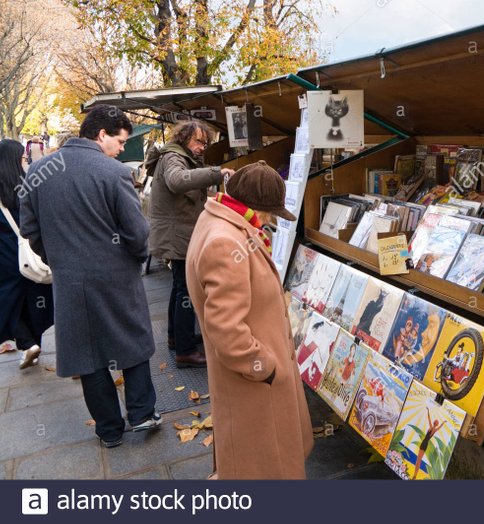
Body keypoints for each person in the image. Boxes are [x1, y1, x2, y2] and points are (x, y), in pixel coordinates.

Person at [20, 105, 161, 448]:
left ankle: (109, 430)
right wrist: (137, 258)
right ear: (101, 135)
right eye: (119, 141)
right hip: (117, 276)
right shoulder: (113, 172)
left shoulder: (38, 172)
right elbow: (137, 232)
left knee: (87, 352)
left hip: (69, 280)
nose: (120, 149)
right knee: (132, 340)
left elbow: (30, 229)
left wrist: (57, 258)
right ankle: (142, 414)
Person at [186, 160, 313, 479]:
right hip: (254, 385)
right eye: (270, 212)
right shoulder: (226, 242)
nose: (270, 220)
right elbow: (225, 328)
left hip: (252, 381)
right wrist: (264, 368)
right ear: (254, 206)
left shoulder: (219, 221)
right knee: (264, 466)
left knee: (253, 461)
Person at [146, 121, 234, 368]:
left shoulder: (176, 155)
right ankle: (185, 351)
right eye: (198, 142)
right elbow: (177, 181)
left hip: (177, 234)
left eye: (205, 143)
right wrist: (217, 173)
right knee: (185, 289)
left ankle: (177, 338)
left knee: (179, 287)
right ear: (184, 138)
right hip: (177, 236)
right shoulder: (173, 157)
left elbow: (187, 193)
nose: (202, 147)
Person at [0, 139, 53, 369]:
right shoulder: (30, 185)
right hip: (32, 254)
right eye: (22, 158)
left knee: (9, 303)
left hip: (5, 257)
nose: (25, 161)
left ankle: (27, 343)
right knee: (34, 299)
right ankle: (32, 344)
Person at [412, 407, 447, 480]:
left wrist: (428, 411)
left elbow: (429, 418)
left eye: (436, 421)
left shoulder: (431, 428)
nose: (436, 422)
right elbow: (439, 426)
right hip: (425, 444)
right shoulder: (435, 430)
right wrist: (443, 423)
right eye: (437, 422)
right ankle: (415, 475)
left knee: (418, 460)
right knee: (419, 460)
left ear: (434, 423)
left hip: (424, 443)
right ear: (436, 424)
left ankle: (415, 475)